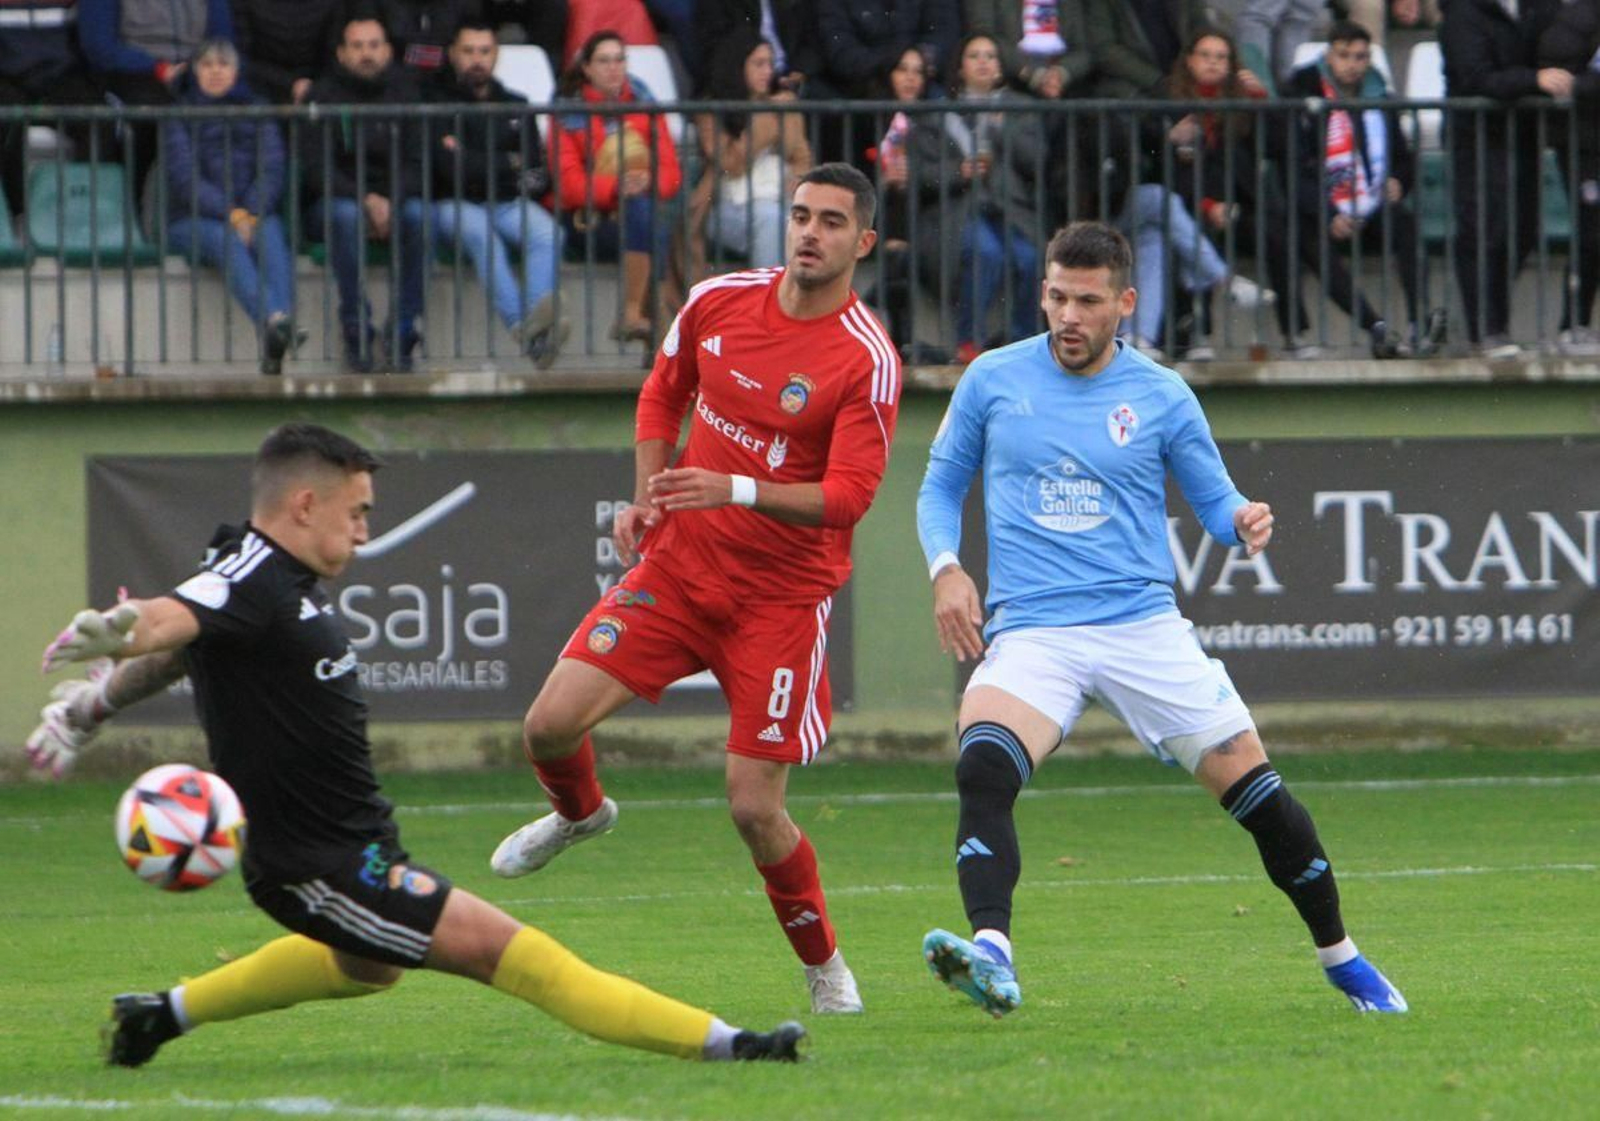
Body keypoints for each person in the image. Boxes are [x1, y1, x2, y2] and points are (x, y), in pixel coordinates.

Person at [25, 422, 806, 1068]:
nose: (365, 531)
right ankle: (735, 1046)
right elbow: (166, 622)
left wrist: (93, 703)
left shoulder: (263, 575)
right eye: (357, 512)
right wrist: (120, 630)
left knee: (370, 967)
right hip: (320, 865)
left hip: (354, 842)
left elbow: (183, 644)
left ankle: (159, 1015)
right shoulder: (251, 580)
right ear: (304, 504)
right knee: (517, 955)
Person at [912, 221, 1407, 1019]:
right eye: (1057, 296)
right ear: (1042, 291)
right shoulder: (992, 380)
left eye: (1087, 301)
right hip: (1034, 629)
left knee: (1260, 795)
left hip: (1142, 627)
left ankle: (1344, 959)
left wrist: (1243, 517)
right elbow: (938, 490)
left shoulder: (1161, 393)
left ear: (1125, 304)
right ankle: (993, 955)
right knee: (983, 766)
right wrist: (947, 568)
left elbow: (1214, 502)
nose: (1068, 316)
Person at [489, 163, 900, 1016]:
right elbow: (662, 393)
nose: (808, 233)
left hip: (779, 603)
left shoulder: (865, 359)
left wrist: (736, 489)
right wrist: (648, 494)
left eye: (830, 221)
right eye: (798, 215)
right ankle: (580, 815)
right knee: (548, 725)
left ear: (862, 243)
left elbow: (852, 497)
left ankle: (824, 967)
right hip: (678, 573)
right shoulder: (716, 300)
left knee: (753, 807)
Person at [1283, 22, 1447, 359]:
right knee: (1307, 238)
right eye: (1344, 55)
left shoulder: (1380, 97)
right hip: (1325, 210)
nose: (1352, 64)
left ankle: (1420, 322)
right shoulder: (1303, 95)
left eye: (1360, 57)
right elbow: (1294, 169)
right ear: (1329, 55)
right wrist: (1328, 213)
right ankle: (1376, 327)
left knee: (1405, 224)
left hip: (1373, 205)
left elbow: (1404, 157)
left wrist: (1400, 181)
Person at [426, 20, 569, 367]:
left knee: (549, 232)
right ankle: (522, 326)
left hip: (506, 203)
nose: (477, 59)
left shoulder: (516, 103)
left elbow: (537, 174)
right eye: (469, 51)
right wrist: (507, 162)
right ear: (453, 55)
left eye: (485, 51)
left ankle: (537, 325)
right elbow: (449, 172)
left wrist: (473, 161)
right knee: (482, 236)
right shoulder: (436, 103)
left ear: (496, 55)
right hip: (452, 203)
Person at [163, 39, 301, 375]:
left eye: (223, 65)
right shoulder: (178, 115)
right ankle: (276, 322)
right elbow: (185, 181)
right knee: (226, 238)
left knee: (271, 232)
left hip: (251, 214)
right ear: (195, 72)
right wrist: (232, 214)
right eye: (207, 65)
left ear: (235, 72)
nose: (215, 72)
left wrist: (251, 212)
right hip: (192, 221)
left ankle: (275, 334)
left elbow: (272, 168)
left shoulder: (257, 109)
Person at [1439, 0, 1569, 359]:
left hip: (1520, 136)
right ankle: (1485, 329)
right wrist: (1534, 80)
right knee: (1483, 229)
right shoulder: (1463, 13)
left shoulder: (1532, 7)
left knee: (1522, 230)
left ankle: (1493, 317)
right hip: (1477, 137)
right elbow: (1474, 77)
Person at [301, 17, 431, 373]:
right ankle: (355, 324)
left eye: (374, 45)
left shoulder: (406, 92)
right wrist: (366, 200)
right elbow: (316, 168)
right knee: (345, 216)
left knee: (420, 217)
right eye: (357, 46)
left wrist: (389, 199)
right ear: (342, 54)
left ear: (388, 51)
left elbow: (417, 161)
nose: (366, 54)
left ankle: (404, 326)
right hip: (337, 200)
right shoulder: (322, 95)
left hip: (394, 200)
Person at [552, 30, 683, 344]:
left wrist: (649, 180)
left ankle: (636, 317)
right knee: (655, 228)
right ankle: (660, 332)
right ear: (586, 68)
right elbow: (568, 185)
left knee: (645, 215)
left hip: (636, 212)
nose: (614, 67)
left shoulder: (645, 102)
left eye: (619, 59)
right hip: (587, 220)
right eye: (604, 60)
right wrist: (615, 187)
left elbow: (672, 173)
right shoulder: (568, 110)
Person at [940, 33, 1046, 365]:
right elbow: (925, 166)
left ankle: (1024, 342)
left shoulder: (1020, 107)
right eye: (974, 56)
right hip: (962, 210)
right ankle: (968, 341)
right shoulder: (943, 111)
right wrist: (960, 171)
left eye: (990, 56)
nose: (984, 62)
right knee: (986, 251)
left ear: (1000, 67)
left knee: (1029, 258)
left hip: (1011, 210)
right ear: (960, 67)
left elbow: (1036, 160)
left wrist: (1004, 133)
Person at [78, 0, 234, 197]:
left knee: (237, 114)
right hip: (134, 74)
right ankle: (138, 208)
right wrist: (157, 68)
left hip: (197, 71)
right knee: (149, 120)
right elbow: (100, 48)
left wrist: (201, 69)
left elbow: (223, 42)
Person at [689, 31, 812, 275]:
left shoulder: (783, 106)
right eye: (759, 64)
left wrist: (799, 178)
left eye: (770, 63)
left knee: (807, 218)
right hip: (726, 205)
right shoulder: (711, 110)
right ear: (738, 65)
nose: (768, 71)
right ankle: (768, 301)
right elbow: (730, 163)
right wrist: (766, 118)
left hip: (779, 197)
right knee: (771, 219)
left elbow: (802, 157)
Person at [1537, 0, 1600, 356]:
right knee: (1591, 233)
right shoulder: (1579, 17)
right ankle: (1572, 324)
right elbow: (1561, 77)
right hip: (1587, 144)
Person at [230, 0, 347, 104]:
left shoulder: (331, 5)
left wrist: (312, 87)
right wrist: (290, 84)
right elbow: (244, 56)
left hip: (320, 90)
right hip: (262, 89)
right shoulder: (247, 4)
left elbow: (334, 53)